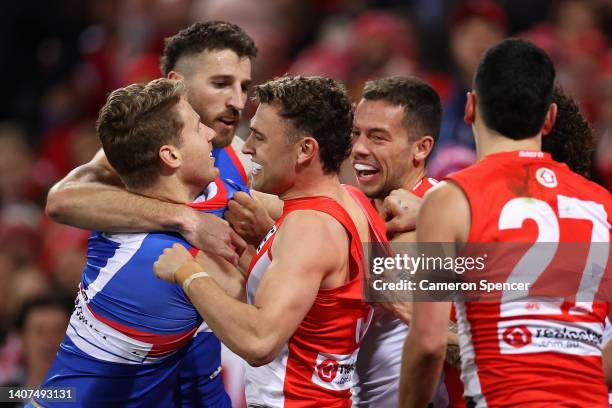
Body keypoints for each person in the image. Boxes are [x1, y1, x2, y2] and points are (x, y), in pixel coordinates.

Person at [400, 39, 611, 407]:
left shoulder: (450, 200)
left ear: (470, 107)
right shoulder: (602, 204)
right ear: (549, 118)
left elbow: (429, 343)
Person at [153, 75, 387, 407]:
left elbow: (260, 341)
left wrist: (188, 273)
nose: (247, 147)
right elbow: (322, 304)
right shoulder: (353, 201)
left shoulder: (309, 227)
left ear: (305, 149)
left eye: (260, 137)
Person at [32, 78, 235, 407]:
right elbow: (262, 337)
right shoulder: (159, 261)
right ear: (169, 155)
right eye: (199, 127)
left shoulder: (123, 201)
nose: (212, 133)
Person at [45, 21, 258, 265]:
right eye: (221, 84)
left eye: (244, 87)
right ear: (178, 84)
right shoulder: (143, 146)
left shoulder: (248, 161)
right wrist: (185, 218)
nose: (238, 103)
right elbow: (62, 201)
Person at [350, 76, 463, 408]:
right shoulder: (358, 207)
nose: (359, 148)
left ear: (422, 147)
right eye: (356, 133)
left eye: (378, 137)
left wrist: (403, 307)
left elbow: (477, 343)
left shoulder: (446, 217)